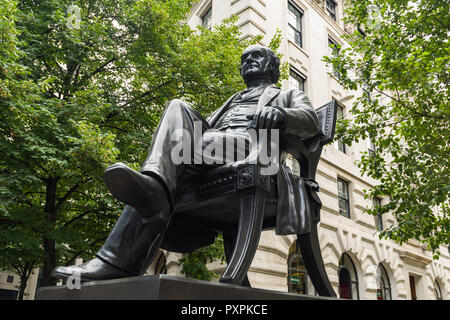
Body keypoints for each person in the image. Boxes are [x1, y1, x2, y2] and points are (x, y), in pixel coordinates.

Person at [52, 45, 321, 282]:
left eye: (256, 56)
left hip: (254, 150)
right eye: (244, 58)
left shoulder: (286, 95)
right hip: (212, 150)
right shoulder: (232, 101)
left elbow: (311, 122)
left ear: (272, 66)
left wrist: (281, 114)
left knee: (173, 161)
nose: (248, 60)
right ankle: (149, 200)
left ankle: (124, 242)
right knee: (177, 106)